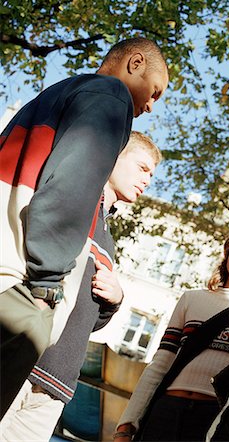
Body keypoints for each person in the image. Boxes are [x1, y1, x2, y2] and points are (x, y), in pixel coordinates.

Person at [0, 37, 169, 418]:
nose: (150, 107)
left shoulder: (59, 93)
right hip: (19, 285)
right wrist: (47, 285)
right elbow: (69, 189)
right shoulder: (111, 98)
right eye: (154, 92)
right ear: (135, 63)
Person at [0, 131, 162, 441]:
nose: (148, 181)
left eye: (152, 175)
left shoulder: (108, 240)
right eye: (142, 168)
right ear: (116, 156)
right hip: (23, 359)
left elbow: (90, 320)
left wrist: (115, 300)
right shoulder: (74, 199)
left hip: (56, 384)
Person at [114, 218, 229, 442]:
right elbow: (160, 363)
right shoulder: (191, 299)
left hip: (215, 422)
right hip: (165, 412)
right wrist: (126, 424)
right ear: (228, 249)